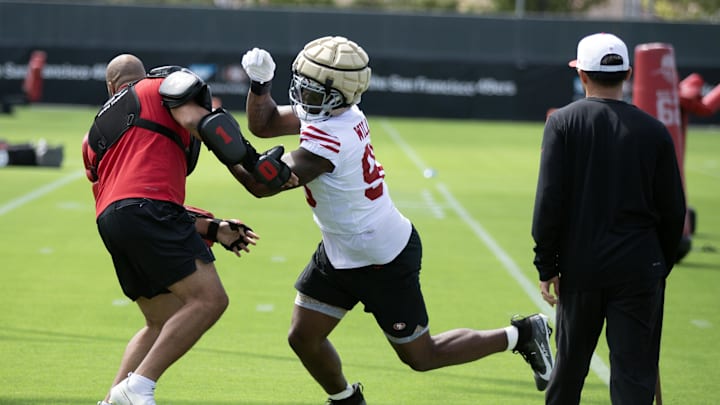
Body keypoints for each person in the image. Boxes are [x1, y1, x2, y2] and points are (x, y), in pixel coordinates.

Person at [232, 36, 555, 404]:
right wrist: (260, 85)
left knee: (422, 356)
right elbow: (266, 123)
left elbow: (261, 185)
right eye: (301, 84)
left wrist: (216, 137)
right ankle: (346, 400)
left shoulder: (333, 137)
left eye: (313, 89)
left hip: (381, 258)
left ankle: (523, 334)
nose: (304, 96)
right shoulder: (338, 112)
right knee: (303, 337)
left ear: (338, 94)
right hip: (341, 250)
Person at [83, 54, 295, 405]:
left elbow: (125, 198)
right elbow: (209, 127)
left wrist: (212, 228)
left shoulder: (93, 136)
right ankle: (138, 388)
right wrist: (254, 164)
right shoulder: (157, 87)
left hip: (112, 221)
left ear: (110, 88)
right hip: (147, 210)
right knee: (210, 300)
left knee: (159, 320)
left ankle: (111, 401)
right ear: (142, 75)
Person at [531, 33, 686, 405]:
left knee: (567, 373)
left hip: (581, 267)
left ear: (582, 75)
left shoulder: (563, 123)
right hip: (639, 268)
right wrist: (657, 265)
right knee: (634, 378)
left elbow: (549, 201)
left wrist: (546, 264)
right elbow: (673, 211)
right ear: (628, 74)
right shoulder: (654, 131)